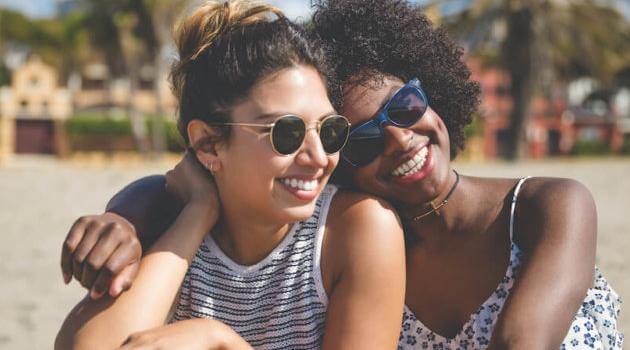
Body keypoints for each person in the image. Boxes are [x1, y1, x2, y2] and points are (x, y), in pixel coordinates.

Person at [60, 0, 624, 349]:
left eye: (404, 107)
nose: (400, 138)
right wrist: (179, 210)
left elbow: (522, 343)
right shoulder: (186, 208)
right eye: (361, 137)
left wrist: (218, 340)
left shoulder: (545, 207)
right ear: (208, 145)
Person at [55, 1, 407, 349]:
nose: (319, 157)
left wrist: (218, 339)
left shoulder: (355, 229)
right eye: (287, 133)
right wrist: (198, 211)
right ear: (208, 145)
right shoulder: (168, 217)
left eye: (329, 130)